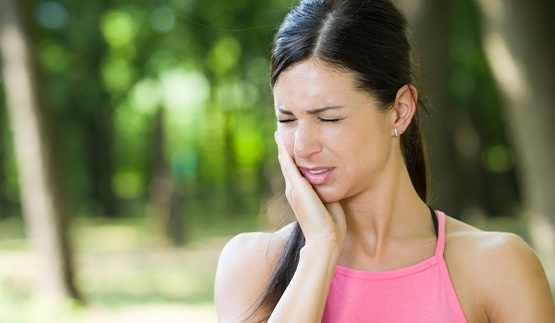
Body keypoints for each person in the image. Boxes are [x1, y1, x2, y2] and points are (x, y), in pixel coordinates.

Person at [214, 0, 555, 322]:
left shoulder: (498, 267)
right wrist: (319, 249)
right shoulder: (253, 265)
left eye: (329, 118)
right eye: (287, 120)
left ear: (400, 110)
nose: (302, 147)